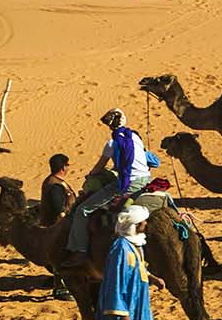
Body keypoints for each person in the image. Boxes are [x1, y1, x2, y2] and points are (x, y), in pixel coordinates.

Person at [66, 109, 157, 256]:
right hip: (145, 179)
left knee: (82, 210)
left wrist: (90, 175)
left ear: (110, 126)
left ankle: (79, 250)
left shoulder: (112, 144)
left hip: (129, 183)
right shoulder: (135, 137)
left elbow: (98, 169)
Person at [39, 153, 72, 226]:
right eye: (67, 165)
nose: (68, 168)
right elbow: (59, 210)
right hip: (56, 229)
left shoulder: (52, 180)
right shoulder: (55, 186)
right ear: (63, 168)